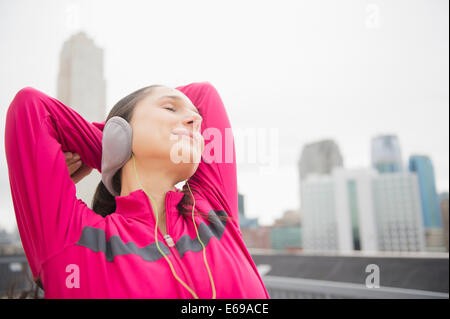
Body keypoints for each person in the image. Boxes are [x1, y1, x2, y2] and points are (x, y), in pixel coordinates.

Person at [4, 81, 270, 299]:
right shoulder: (70, 236)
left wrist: (113, 151)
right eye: (170, 108)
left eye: (196, 120)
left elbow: (204, 94)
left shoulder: (213, 211)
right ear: (121, 131)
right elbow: (31, 108)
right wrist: (113, 146)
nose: (196, 120)